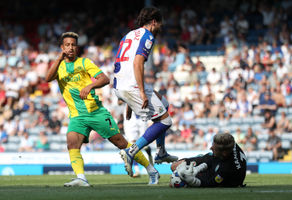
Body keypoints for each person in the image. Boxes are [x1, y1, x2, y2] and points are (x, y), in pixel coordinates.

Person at [45, 32, 159, 187]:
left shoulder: (84, 63)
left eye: (73, 45)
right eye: (67, 45)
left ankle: (151, 170)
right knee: (72, 143)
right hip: (77, 116)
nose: (70, 48)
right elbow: (47, 78)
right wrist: (59, 58)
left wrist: (90, 85)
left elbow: (105, 79)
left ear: (77, 47)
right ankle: (81, 178)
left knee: (121, 143)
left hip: (96, 112)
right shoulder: (59, 67)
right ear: (62, 47)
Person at [113, 6, 178, 176]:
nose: (160, 28)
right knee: (165, 122)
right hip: (132, 85)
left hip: (121, 84)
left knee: (164, 104)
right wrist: (140, 93)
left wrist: (129, 100)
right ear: (154, 22)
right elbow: (137, 63)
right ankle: (131, 151)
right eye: (160, 24)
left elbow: (122, 63)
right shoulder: (148, 36)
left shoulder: (129, 35)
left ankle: (161, 152)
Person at [171, 133, 247, 187]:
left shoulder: (227, 169)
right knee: (173, 166)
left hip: (224, 177)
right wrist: (198, 168)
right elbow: (213, 158)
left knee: (177, 181)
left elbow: (210, 183)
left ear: (224, 153)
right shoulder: (229, 143)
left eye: (214, 148)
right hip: (216, 159)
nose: (210, 148)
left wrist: (193, 181)